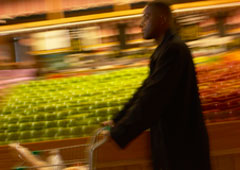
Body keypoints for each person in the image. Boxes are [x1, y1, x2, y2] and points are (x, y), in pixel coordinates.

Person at [102, 1, 211, 170]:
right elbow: (145, 90)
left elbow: (153, 98)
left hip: (182, 147)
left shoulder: (173, 50)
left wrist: (120, 131)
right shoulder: (165, 49)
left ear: (161, 20)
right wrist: (116, 120)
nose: (140, 24)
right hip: (174, 142)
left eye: (146, 18)